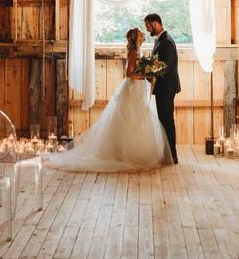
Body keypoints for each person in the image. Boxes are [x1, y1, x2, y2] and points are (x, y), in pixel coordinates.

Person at [44, 27, 173, 172]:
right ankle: (127, 154)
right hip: (133, 87)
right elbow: (129, 74)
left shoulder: (138, 51)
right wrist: (145, 75)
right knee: (132, 118)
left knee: (138, 118)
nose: (143, 34)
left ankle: (132, 151)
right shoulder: (134, 52)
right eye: (140, 33)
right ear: (136, 38)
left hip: (138, 88)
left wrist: (147, 72)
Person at [144, 13, 180, 164]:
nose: (147, 29)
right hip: (162, 87)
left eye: (148, 26)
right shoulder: (160, 40)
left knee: (167, 121)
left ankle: (172, 155)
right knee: (163, 120)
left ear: (156, 24)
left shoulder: (167, 42)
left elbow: (167, 65)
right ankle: (167, 154)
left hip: (167, 87)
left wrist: (149, 71)